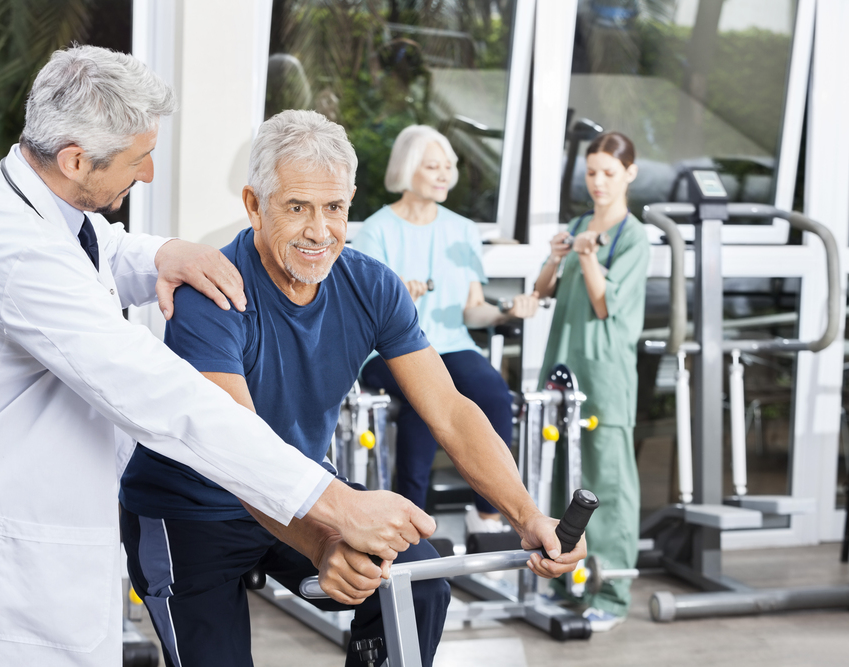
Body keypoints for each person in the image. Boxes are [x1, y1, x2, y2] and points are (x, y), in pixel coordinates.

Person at [0, 47, 434, 667]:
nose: (148, 172)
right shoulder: (19, 252)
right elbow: (161, 395)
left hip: (44, 535)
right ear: (74, 160)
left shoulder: (29, 197)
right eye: (138, 157)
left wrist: (161, 254)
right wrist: (332, 502)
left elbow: (98, 249)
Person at [118, 110, 586, 667]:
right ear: (253, 205)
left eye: (334, 208)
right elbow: (234, 450)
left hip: (298, 484)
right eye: (297, 208)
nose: (320, 231)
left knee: (415, 584)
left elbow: (452, 412)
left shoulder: (371, 286)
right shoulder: (212, 291)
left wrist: (526, 516)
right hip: (190, 506)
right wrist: (322, 540)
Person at [353, 125, 539, 535]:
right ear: (407, 169)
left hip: (451, 344)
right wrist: (398, 296)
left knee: (492, 392)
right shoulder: (378, 231)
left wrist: (506, 312)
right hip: (391, 349)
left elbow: (473, 311)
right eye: (432, 166)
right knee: (425, 402)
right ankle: (412, 526)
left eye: (448, 167)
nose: (443, 175)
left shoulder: (462, 230)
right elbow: (363, 312)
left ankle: (487, 519)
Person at [533, 131, 649, 632]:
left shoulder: (633, 236)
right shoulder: (578, 224)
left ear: (630, 173)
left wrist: (586, 256)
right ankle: (568, 583)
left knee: (608, 483)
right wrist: (560, 254)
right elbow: (541, 291)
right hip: (564, 364)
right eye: (591, 172)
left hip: (604, 372)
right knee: (563, 475)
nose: (598, 182)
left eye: (608, 172)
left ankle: (613, 591)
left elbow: (605, 304)